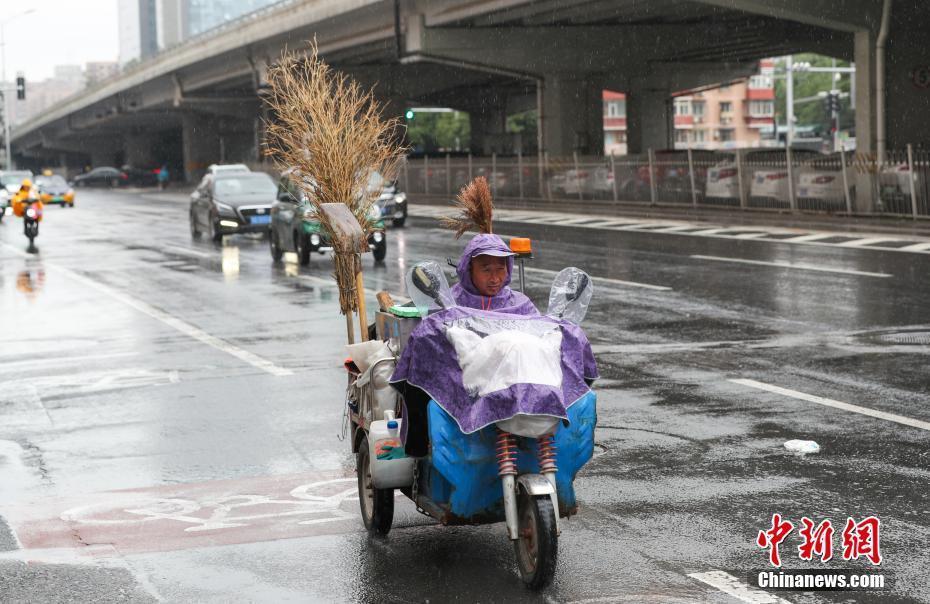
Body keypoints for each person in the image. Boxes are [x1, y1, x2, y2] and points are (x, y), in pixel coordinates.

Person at [451, 233, 538, 315]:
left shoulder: (520, 305)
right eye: (487, 270)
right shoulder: (450, 303)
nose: (495, 279)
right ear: (469, 270)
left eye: (500, 269)